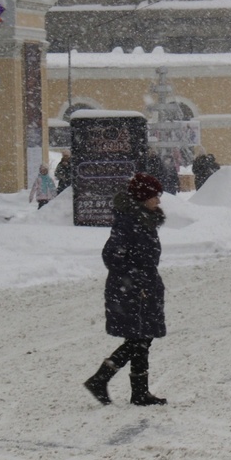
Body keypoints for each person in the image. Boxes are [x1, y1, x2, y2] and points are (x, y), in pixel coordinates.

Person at [84, 172, 168, 406]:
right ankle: (101, 379)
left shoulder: (142, 220)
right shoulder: (129, 223)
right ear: (143, 197)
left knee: (142, 337)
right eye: (155, 196)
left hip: (143, 286)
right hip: (132, 289)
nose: (158, 201)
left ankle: (139, 392)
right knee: (139, 338)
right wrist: (135, 282)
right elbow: (112, 256)